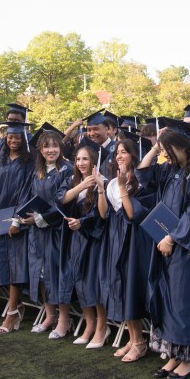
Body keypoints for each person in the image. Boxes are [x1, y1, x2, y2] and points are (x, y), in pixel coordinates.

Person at [137, 119, 190, 379]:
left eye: (168, 150)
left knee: (185, 304)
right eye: (163, 150)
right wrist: (156, 145)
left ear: (184, 147)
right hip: (167, 249)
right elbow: (143, 174)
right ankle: (173, 354)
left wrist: (172, 238)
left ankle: (189, 359)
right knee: (169, 302)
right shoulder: (172, 171)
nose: (164, 155)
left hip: (188, 252)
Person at [97, 137, 155, 362]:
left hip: (134, 238)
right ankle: (132, 339)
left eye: (124, 152)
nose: (119, 155)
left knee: (131, 287)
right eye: (117, 152)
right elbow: (104, 214)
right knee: (121, 285)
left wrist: (122, 188)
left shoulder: (142, 183)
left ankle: (140, 342)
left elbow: (133, 214)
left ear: (134, 155)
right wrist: (102, 188)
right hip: (116, 235)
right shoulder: (114, 181)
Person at [0, 121, 35, 333]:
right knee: (1, 262)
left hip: (17, 221)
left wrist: (16, 219)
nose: (13, 140)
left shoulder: (29, 163)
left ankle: (12, 312)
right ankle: (15, 307)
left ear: (24, 140)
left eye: (18, 137)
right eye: (10, 137)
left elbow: (26, 192)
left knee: (16, 265)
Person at [24, 126, 73, 334]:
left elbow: (61, 202)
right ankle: (49, 314)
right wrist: (22, 216)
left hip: (57, 230)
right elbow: (28, 196)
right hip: (38, 231)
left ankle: (63, 319)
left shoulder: (67, 170)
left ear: (61, 148)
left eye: (54, 146)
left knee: (57, 273)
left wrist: (40, 218)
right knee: (41, 274)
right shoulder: (38, 171)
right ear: (40, 150)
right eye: (46, 147)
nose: (51, 150)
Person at [59, 146, 108, 347]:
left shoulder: (102, 181)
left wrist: (82, 223)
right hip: (76, 238)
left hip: (93, 238)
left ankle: (102, 327)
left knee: (93, 282)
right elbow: (60, 199)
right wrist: (81, 186)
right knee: (79, 280)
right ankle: (89, 325)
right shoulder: (72, 180)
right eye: (78, 159)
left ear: (93, 160)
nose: (80, 163)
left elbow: (101, 215)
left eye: (85, 159)